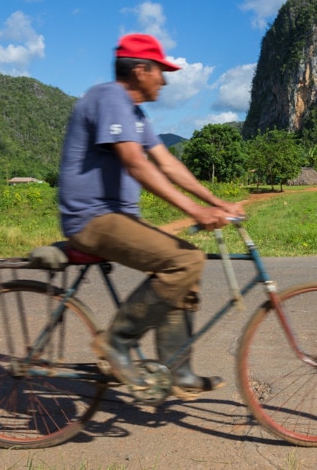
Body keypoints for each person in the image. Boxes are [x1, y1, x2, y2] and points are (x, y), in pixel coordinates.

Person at [58, 33, 244, 400]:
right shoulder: (111, 98)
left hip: (116, 218)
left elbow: (168, 163)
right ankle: (117, 341)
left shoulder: (135, 114)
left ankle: (179, 371)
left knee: (186, 270)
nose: (165, 79)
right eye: (160, 70)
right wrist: (194, 210)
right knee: (185, 259)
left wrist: (216, 202)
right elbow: (136, 164)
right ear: (140, 70)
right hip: (92, 219)